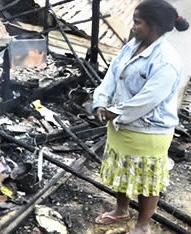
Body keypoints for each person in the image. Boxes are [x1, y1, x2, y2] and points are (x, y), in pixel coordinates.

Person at [91, 0, 189, 233]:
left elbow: (149, 98)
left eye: (138, 22)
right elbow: (112, 76)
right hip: (120, 126)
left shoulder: (167, 61)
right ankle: (121, 210)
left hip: (149, 131)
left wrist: (116, 112)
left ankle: (142, 225)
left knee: (147, 180)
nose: (133, 27)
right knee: (122, 169)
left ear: (154, 25)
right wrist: (101, 102)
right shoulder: (132, 46)